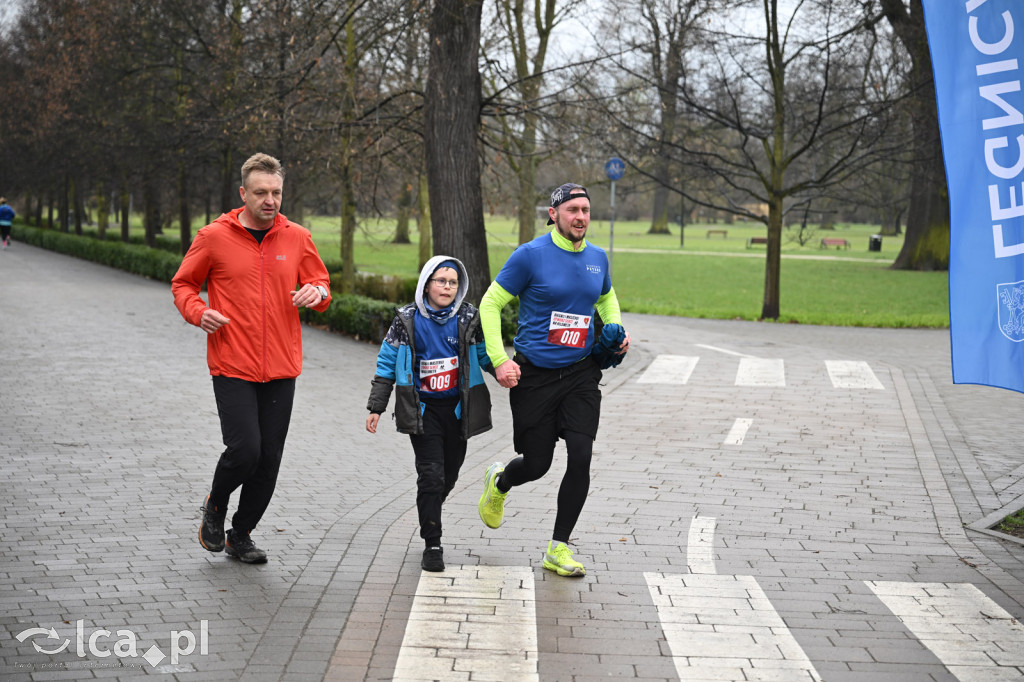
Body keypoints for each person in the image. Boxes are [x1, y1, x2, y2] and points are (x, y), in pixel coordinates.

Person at [171, 152, 332, 564]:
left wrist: (316, 292)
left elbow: (320, 283)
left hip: (281, 365)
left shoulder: (297, 237)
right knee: (246, 450)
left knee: (269, 459)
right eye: (261, 192)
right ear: (243, 193)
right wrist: (198, 311)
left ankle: (240, 535)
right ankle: (216, 504)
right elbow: (183, 285)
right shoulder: (213, 237)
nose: (270, 200)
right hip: (233, 362)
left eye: (276, 192)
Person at [476, 182, 630, 577]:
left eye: (586, 210)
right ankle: (500, 482)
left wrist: (615, 329)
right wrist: (499, 360)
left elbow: (605, 297)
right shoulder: (530, 256)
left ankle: (558, 547)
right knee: (538, 464)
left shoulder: (597, 258)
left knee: (581, 454)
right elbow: (490, 304)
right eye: (573, 210)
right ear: (553, 214)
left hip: (581, 372)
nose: (580, 217)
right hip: (535, 377)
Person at [365, 256, 493, 572]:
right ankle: (432, 544)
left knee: (449, 475)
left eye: (453, 282)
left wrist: (510, 371)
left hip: (458, 410)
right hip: (422, 410)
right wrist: (377, 407)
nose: (447, 287)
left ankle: (431, 504)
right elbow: (386, 362)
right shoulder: (406, 320)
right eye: (440, 281)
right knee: (431, 476)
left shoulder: (468, 317)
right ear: (426, 285)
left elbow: (484, 355)